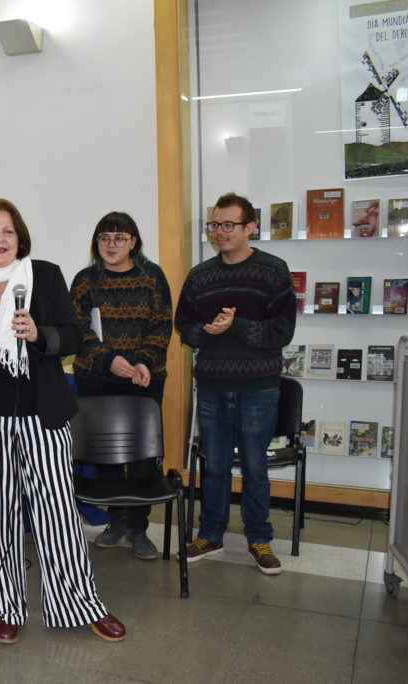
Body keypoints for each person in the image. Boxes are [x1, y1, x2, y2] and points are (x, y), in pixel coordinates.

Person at [0, 198, 125, 645]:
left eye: (8, 231)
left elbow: (73, 336)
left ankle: (81, 604)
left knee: (57, 512)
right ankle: (5, 607)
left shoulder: (46, 276)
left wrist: (40, 335)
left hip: (42, 414)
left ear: (20, 238)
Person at [175, 192, 296, 575]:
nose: (220, 231)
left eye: (229, 224)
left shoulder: (273, 270)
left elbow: (282, 331)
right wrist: (208, 331)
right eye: (215, 224)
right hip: (212, 385)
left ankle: (259, 539)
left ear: (250, 227)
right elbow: (184, 325)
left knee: (256, 468)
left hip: (258, 387)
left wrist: (236, 326)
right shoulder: (201, 275)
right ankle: (210, 535)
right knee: (215, 467)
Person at [70, 211, 172, 561]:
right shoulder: (85, 280)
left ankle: (139, 527)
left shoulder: (152, 276)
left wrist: (143, 362)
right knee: (108, 455)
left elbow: (162, 324)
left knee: (143, 457)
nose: (111, 245)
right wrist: (108, 359)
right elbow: (77, 330)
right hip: (97, 379)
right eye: (104, 238)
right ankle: (117, 522)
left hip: (144, 380)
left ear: (134, 242)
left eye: (119, 238)